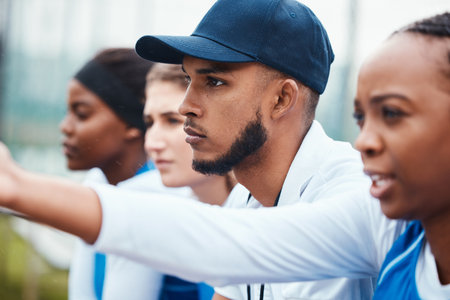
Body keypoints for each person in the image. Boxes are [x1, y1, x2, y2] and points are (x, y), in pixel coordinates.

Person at [0, 2, 448, 299]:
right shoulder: (248, 198)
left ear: (281, 99)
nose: (186, 106)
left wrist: (19, 187)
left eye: (214, 82)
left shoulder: (353, 197)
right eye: (360, 118)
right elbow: (218, 243)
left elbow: (212, 242)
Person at [63, 48, 186, 300]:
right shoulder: (98, 186)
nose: (65, 127)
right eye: (152, 121)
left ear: (131, 123)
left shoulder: (152, 197)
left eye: (82, 114)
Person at [143, 63, 235, 299]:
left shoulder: (268, 217)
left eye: (173, 121)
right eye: (149, 123)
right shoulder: (172, 218)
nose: (151, 143)